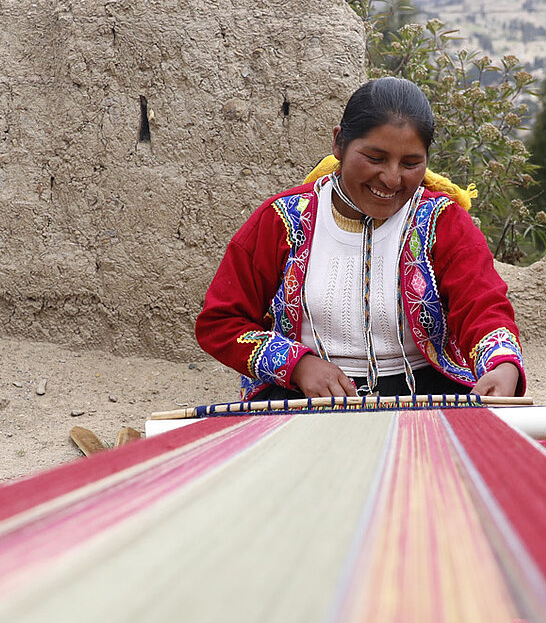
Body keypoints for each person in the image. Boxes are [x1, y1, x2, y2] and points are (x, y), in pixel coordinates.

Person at [196, 77, 525, 401]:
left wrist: (503, 365)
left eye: (411, 163)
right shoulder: (282, 219)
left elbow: (481, 305)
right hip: (302, 395)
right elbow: (221, 322)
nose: (392, 178)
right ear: (339, 144)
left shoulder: (443, 220)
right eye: (375, 158)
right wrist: (297, 366)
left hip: (428, 396)